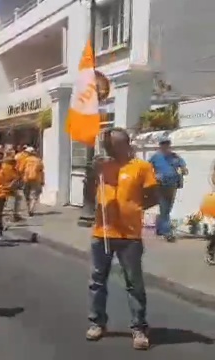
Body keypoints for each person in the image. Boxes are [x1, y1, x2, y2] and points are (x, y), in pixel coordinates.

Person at [86, 128, 157, 350]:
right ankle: (97, 323)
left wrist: (134, 210)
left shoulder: (141, 167)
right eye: (106, 145)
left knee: (134, 283)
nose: (107, 148)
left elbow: (153, 195)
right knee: (97, 281)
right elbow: (88, 198)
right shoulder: (101, 167)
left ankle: (138, 328)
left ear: (125, 144)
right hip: (102, 232)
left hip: (130, 235)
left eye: (112, 144)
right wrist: (91, 175)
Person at [148, 138, 187, 242]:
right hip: (160, 186)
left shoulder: (175, 157)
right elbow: (146, 169)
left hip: (172, 185)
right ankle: (167, 232)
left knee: (167, 209)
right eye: (163, 144)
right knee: (164, 208)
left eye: (167, 144)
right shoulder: (155, 157)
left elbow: (184, 168)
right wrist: (155, 176)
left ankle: (160, 227)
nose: (165, 146)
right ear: (160, 146)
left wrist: (183, 170)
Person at [20, 147, 44, 216]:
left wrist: (20, 178)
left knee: (26, 194)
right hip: (36, 179)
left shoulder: (25, 160)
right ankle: (31, 209)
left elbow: (21, 169)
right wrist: (42, 180)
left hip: (26, 179)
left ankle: (28, 208)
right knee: (34, 195)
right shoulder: (38, 160)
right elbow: (41, 171)